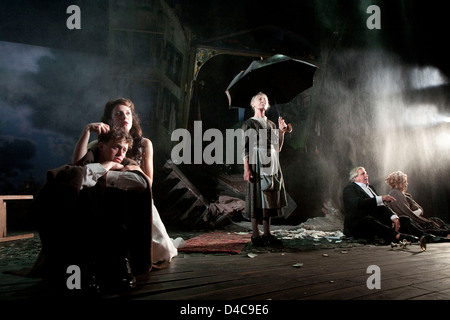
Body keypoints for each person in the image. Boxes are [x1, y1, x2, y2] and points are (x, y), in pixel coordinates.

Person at [34, 128, 152, 294]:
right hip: (79, 226)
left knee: (117, 224)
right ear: (102, 146)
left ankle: (119, 265)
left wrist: (98, 176)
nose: (121, 153)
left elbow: (139, 184)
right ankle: (81, 270)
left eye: (124, 149)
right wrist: (108, 166)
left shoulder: (128, 165)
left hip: (112, 225)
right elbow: (78, 178)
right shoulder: (80, 166)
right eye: (116, 147)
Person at [73, 98, 177, 266]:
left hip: (137, 196)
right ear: (110, 120)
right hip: (107, 195)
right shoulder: (101, 142)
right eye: (118, 114)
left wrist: (131, 170)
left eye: (128, 113)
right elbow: (77, 166)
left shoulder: (144, 144)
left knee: (162, 252)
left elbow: (148, 182)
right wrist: (86, 130)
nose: (124, 117)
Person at [242, 92, 288, 247]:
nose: (263, 101)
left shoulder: (272, 124)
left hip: (271, 162)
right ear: (253, 104)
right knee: (256, 196)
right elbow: (245, 148)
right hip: (256, 162)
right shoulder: (249, 123)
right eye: (259, 99)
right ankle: (255, 235)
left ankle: (267, 233)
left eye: (265, 100)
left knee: (268, 197)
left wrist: (282, 131)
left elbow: (278, 147)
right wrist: (247, 169)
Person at [343, 166, 423, 243]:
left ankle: (425, 236)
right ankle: (398, 237)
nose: (366, 175)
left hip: (376, 222)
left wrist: (393, 216)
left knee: (404, 220)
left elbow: (381, 205)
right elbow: (359, 203)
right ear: (355, 178)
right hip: (358, 225)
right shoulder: (350, 188)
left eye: (366, 173)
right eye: (363, 174)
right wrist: (382, 198)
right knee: (368, 220)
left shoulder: (370, 188)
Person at [385, 171, 450, 238]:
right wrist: (418, 215)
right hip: (408, 225)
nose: (406, 184)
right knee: (432, 227)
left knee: (436, 221)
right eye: (404, 182)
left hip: (414, 222)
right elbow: (405, 213)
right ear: (399, 183)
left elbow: (419, 211)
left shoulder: (403, 195)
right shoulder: (395, 193)